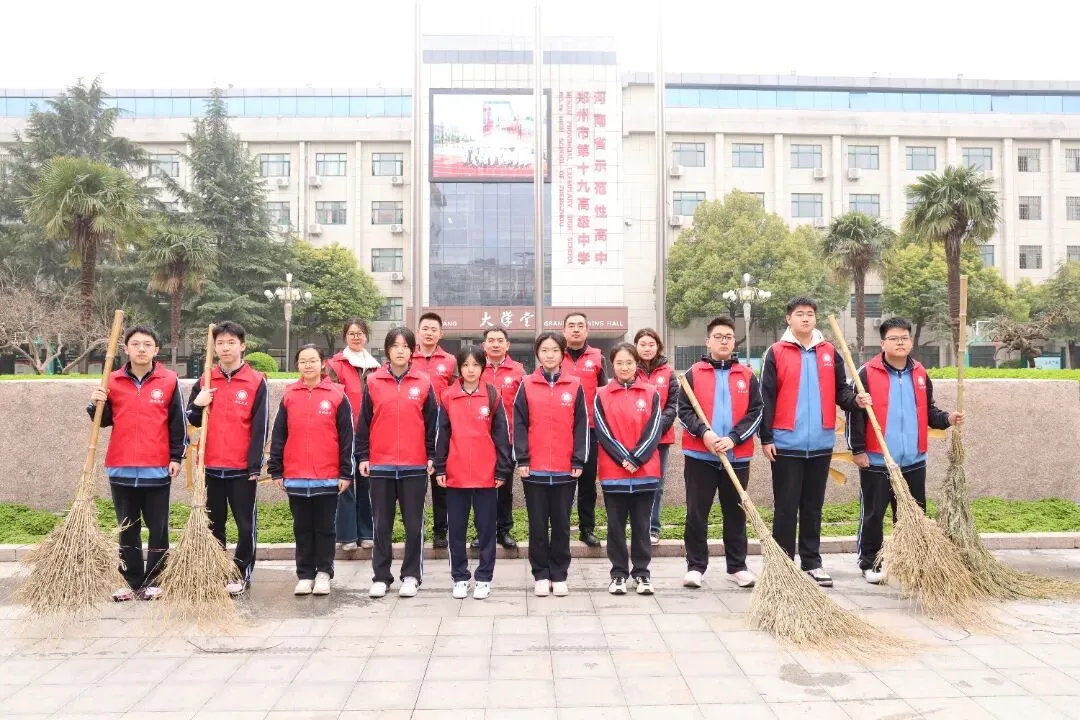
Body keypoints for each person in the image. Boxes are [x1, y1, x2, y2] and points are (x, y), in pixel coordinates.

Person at [760, 297, 871, 587]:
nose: (806, 318)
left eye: (810, 314)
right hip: (785, 443)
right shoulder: (776, 352)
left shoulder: (829, 352)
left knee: (813, 506)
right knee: (786, 507)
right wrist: (766, 437)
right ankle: (782, 564)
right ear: (789, 318)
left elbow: (840, 392)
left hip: (821, 442)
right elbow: (766, 397)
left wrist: (856, 401)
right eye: (800, 314)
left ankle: (812, 562)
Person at [847, 317, 965, 584]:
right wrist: (857, 450)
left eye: (904, 338)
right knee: (874, 514)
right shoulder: (866, 373)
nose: (900, 343)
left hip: (913, 459)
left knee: (913, 513)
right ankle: (870, 562)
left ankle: (912, 561)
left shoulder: (919, 373)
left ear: (911, 342)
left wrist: (948, 418)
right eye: (893, 338)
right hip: (877, 459)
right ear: (883, 343)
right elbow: (855, 415)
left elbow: (929, 411)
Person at [88, 325, 186, 602]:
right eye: (135, 344)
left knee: (158, 527)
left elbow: (177, 422)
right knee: (127, 527)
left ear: (156, 350)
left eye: (147, 344)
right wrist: (95, 404)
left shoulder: (169, 380)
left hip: (157, 467)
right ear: (126, 348)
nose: (141, 349)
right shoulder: (112, 379)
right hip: (121, 466)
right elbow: (104, 420)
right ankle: (130, 581)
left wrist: (176, 456)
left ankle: (155, 580)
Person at [678, 317, 763, 590]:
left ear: (734, 341)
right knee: (696, 513)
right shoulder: (693, 373)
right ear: (708, 341)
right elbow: (684, 411)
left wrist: (733, 439)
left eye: (728, 337)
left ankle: (737, 566)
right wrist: (704, 433)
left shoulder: (747, 375)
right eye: (718, 336)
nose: (723, 341)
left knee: (736, 513)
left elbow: (756, 411)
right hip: (700, 456)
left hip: (737, 456)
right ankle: (695, 567)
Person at [186, 320, 269, 597]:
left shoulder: (256, 381)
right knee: (214, 524)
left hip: (241, 468)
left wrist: (254, 465)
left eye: (231, 342)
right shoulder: (206, 380)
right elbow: (191, 419)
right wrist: (198, 404)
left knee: (246, 525)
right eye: (220, 343)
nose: (225, 347)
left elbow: (261, 426)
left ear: (242, 346)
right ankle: (216, 569)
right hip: (210, 465)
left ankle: (241, 573)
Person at [358, 327, 439, 599]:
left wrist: (431, 455)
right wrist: (363, 456)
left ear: (412, 350)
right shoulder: (373, 381)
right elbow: (364, 423)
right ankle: (381, 576)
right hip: (380, 464)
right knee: (381, 524)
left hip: (414, 466)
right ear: (387, 350)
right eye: (395, 345)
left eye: (405, 346)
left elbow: (432, 424)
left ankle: (412, 575)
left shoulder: (424, 382)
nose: (400, 350)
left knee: (414, 525)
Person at [267, 345, 354, 597]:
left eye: (313, 360)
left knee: (325, 528)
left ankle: (324, 572)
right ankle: (305, 574)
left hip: (327, 476)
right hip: (295, 475)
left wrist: (345, 473)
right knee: (302, 528)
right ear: (297, 365)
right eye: (303, 361)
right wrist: (276, 470)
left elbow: (347, 437)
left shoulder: (337, 394)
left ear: (322, 363)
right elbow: (279, 434)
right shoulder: (289, 395)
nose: (308, 365)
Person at [435, 345, 513, 600]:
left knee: (486, 529)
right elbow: (442, 434)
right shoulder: (448, 396)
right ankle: (459, 577)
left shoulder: (492, 395)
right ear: (459, 367)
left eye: (476, 365)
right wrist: (440, 466)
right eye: (466, 365)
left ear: (483, 367)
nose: (470, 370)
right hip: (456, 474)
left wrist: (502, 469)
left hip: (486, 474)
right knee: (456, 530)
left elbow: (502, 435)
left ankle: (484, 577)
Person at [514, 332, 588, 597]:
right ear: (537, 353)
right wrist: (522, 458)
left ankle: (559, 573)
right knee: (537, 524)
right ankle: (540, 574)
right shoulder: (527, 384)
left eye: (555, 350)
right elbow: (519, 424)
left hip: (565, 468)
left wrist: (578, 458)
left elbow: (581, 425)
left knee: (561, 524)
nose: (549, 355)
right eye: (544, 350)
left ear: (562, 353)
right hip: (534, 469)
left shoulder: (575, 385)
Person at [594, 343, 663, 596]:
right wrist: (624, 458)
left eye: (629, 363)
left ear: (637, 364)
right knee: (615, 527)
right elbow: (602, 430)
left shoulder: (651, 392)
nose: (624, 367)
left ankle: (642, 573)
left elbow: (655, 429)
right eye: (620, 363)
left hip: (645, 472)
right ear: (612, 364)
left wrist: (637, 458)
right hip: (614, 472)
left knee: (642, 526)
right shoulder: (601, 394)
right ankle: (618, 574)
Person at [326, 318, 381, 552]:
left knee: (367, 483)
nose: (356, 337)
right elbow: (332, 396)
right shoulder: (335, 365)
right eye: (351, 333)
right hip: (344, 433)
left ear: (366, 336)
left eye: (360, 333)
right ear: (345, 337)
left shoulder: (376, 367)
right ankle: (347, 535)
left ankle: (367, 532)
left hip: (370, 433)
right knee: (345, 482)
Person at [560, 312, 608, 548]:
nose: (576, 329)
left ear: (587, 330)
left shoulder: (598, 358)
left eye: (580, 325)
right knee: (563, 481)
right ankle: (560, 528)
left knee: (587, 482)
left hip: (590, 430)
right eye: (571, 325)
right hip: (561, 430)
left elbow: (605, 394)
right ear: (564, 331)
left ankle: (586, 528)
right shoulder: (556, 355)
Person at [411, 312, 457, 550]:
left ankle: (441, 531)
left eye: (433, 330)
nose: (429, 333)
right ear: (418, 332)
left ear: (441, 334)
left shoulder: (450, 361)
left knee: (440, 483)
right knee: (414, 486)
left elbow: (456, 392)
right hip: (413, 428)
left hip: (441, 430)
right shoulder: (407, 357)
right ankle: (414, 530)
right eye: (425, 329)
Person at [479, 326, 525, 549]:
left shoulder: (518, 370)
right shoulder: (477, 367)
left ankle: (503, 530)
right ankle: (482, 531)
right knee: (481, 488)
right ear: (484, 345)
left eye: (500, 340)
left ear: (508, 345)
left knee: (504, 487)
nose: (495, 344)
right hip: (480, 438)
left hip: (508, 439)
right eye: (491, 340)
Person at [634, 328, 679, 546]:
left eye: (651, 344)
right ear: (636, 346)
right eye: (642, 344)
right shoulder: (630, 369)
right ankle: (637, 527)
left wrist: (655, 429)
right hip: (635, 438)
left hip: (661, 438)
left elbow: (672, 404)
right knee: (635, 483)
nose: (647, 348)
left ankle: (653, 528)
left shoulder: (668, 372)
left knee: (657, 485)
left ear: (658, 347)